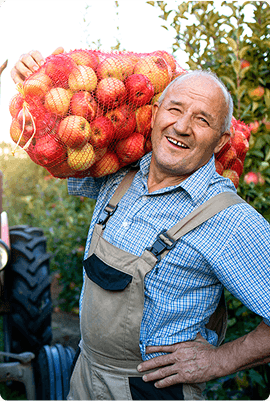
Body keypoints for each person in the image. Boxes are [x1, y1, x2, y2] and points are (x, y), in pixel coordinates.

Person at [11, 50, 270, 401]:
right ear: (154, 112)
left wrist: (220, 361)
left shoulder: (227, 218)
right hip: (86, 376)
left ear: (222, 141)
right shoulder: (118, 175)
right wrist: (35, 88)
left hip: (152, 391)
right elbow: (53, 148)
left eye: (203, 120)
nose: (181, 126)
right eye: (174, 109)